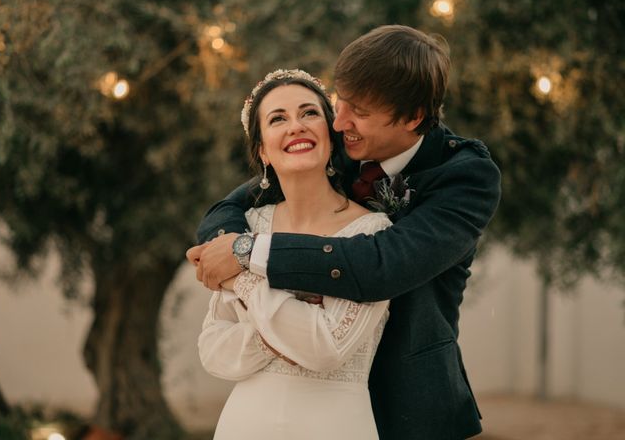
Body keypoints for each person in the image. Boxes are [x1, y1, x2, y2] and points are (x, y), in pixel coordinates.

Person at [193, 25, 502, 439]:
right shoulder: (338, 142)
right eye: (340, 102)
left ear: (413, 117)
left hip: (409, 401)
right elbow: (229, 208)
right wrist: (227, 245)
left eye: (360, 111)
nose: (339, 122)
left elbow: (378, 266)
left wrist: (245, 255)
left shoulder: (465, 177)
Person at [187, 69, 392, 439]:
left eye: (309, 113)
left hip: (336, 425)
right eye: (278, 119)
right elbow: (214, 351)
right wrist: (294, 319)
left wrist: (242, 280)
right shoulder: (245, 228)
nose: (295, 126)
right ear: (263, 149)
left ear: (330, 137)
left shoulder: (371, 233)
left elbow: (326, 349)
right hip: (245, 424)